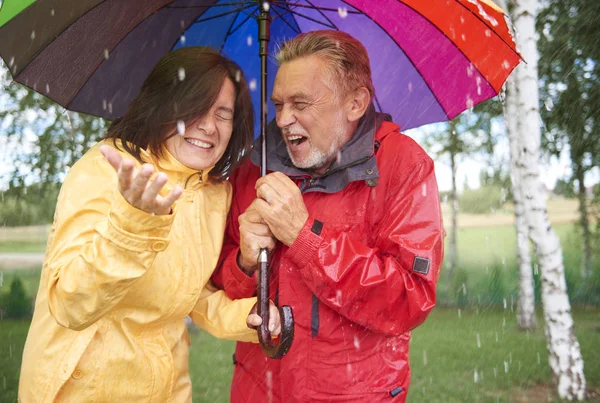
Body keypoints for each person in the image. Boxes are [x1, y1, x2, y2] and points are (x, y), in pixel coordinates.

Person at [18, 47, 280, 402]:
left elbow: (187, 293)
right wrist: (133, 224)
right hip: (83, 385)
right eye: (196, 106)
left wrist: (248, 316)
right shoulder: (106, 170)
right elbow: (70, 305)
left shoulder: (214, 194)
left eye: (224, 113)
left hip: (166, 387)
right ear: (163, 107)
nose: (208, 125)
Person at [212, 30, 445, 402]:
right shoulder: (254, 170)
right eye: (278, 104)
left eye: (300, 103)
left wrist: (305, 237)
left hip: (355, 394)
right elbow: (219, 287)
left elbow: (408, 299)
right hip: (258, 389)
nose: (284, 119)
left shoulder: (404, 166)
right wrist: (245, 263)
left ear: (355, 103)